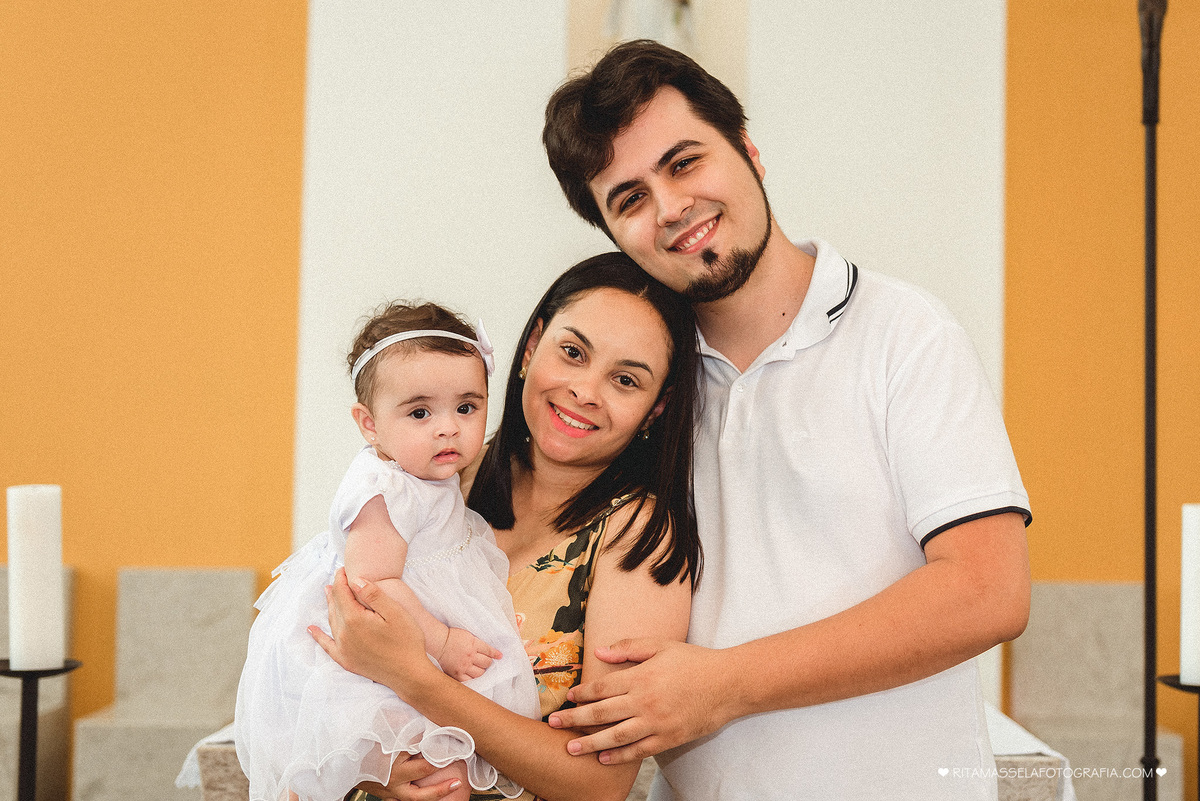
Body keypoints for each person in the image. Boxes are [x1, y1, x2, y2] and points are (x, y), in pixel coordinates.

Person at [537, 40, 1032, 800]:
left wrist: (725, 685)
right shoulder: (639, 389)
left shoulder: (905, 334)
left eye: (684, 163)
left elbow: (987, 591)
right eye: (629, 199)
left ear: (748, 149)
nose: (670, 208)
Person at [313, 253, 702, 801]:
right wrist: (372, 766)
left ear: (656, 409)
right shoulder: (435, 478)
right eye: (573, 353)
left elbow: (600, 782)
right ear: (532, 346)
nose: (586, 391)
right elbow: (333, 648)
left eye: (625, 379)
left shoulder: (639, 536)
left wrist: (417, 680)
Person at [235, 301, 541, 801]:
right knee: (434, 768)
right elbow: (372, 587)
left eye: (466, 407)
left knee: (451, 759)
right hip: (374, 642)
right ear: (369, 424)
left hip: (406, 633)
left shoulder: (426, 473)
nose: (448, 427)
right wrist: (442, 641)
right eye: (420, 412)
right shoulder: (383, 491)